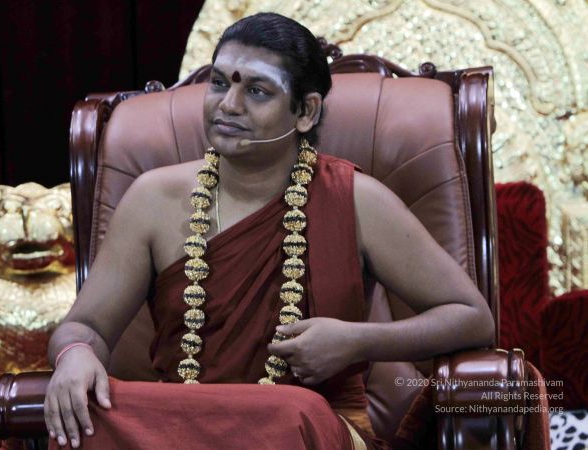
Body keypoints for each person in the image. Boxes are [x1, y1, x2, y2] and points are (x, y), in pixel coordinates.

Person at [44, 12, 494, 449]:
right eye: (219, 83)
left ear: (306, 112)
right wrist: (76, 355)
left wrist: (356, 341)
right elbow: (85, 326)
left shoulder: (357, 200)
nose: (228, 104)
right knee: (87, 413)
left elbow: (471, 317)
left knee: (290, 412)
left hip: (305, 426)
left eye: (257, 91)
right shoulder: (152, 198)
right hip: (185, 426)